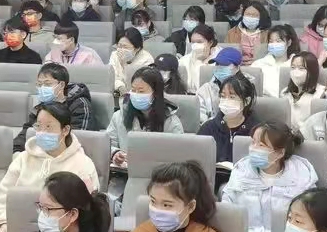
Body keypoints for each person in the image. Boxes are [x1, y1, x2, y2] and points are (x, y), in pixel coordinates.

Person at [0, 104, 100, 232]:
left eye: (48, 127)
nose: (42, 132)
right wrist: (2, 224)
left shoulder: (83, 164)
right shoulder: (23, 159)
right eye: (39, 126)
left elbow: (88, 208)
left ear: (65, 130)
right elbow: (3, 197)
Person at [221, 122, 318, 232]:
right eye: (253, 142)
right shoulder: (241, 170)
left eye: (261, 145)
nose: (253, 148)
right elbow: (227, 209)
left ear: (279, 153)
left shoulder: (301, 176)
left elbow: (310, 218)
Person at [107, 67, 185, 205]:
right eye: (133, 90)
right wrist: (115, 153)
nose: (136, 95)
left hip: (161, 181)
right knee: (111, 201)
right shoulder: (119, 116)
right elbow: (107, 143)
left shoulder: (171, 122)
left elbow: (179, 158)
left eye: (141, 91)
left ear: (155, 93)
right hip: (123, 177)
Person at [14, 63, 93, 151]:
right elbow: (25, 133)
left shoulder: (79, 104)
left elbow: (78, 137)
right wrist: (16, 151)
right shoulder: (40, 107)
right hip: (40, 152)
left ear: (61, 85)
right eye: (39, 84)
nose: (42, 88)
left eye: (47, 84)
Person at [197, 73, 258, 167]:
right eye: (223, 96)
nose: (226, 101)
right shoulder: (208, 128)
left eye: (232, 97)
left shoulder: (257, 131)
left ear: (247, 101)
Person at [251, 23, 300, 98]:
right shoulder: (258, 65)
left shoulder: (297, 66)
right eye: (271, 41)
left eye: (278, 41)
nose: (274, 44)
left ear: (289, 43)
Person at [195, 46, 241, 123]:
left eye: (224, 64)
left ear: (237, 68)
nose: (219, 67)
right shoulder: (205, 90)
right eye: (217, 64)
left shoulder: (245, 88)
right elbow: (200, 118)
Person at [283, 51, 325, 128]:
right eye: (293, 67)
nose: (296, 72)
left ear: (312, 71)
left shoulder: (321, 93)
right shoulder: (284, 92)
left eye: (301, 68)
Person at [178, 23, 220, 95]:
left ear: (210, 42)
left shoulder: (219, 59)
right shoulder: (184, 60)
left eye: (199, 42)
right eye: (193, 42)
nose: (195, 45)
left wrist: (203, 63)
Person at [224, 1, 270, 66]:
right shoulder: (232, 32)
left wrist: (259, 62)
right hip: (237, 66)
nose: (250, 17)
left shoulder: (268, 34)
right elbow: (227, 52)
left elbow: (272, 55)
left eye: (254, 15)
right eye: (247, 14)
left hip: (261, 66)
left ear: (261, 17)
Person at [109, 28, 153, 95]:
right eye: (119, 46)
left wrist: (124, 64)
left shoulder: (146, 59)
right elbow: (112, 77)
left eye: (125, 47)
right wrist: (120, 87)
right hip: (118, 92)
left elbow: (139, 82)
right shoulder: (114, 55)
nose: (121, 50)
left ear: (137, 48)